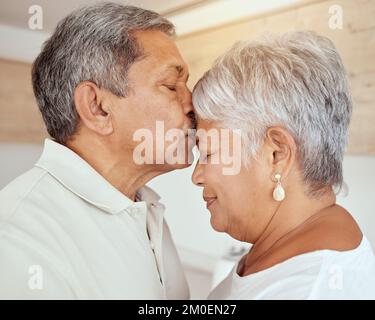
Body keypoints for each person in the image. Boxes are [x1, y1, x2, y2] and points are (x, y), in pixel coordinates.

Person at [0, 3, 195, 299]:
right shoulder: (17, 240)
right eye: (171, 85)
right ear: (98, 108)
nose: (192, 104)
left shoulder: (144, 207)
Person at [191, 31, 375, 299]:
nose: (196, 176)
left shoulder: (313, 290)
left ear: (276, 154)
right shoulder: (280, 248)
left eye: (209, 153)